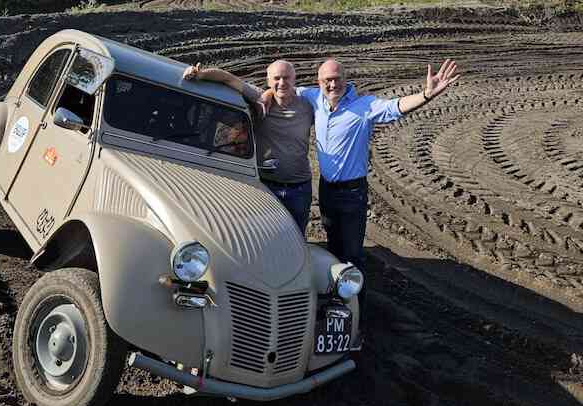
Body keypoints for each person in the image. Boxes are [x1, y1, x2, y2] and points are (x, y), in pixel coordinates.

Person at [280, 58, 460, 327]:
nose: (332, 84)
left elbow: (396, 107)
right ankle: (334, 306)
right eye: (326, 80)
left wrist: (426, 94)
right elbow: (280, 88)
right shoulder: (313, 98)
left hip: (352, 194)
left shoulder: (365, 107)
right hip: (327, 190)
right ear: (319, 82)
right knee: (333, 250)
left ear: (345, 78)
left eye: (337, 78)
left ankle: (355, 317)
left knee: (352, 255)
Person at [182, 60, 314, 235]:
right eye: (277, 78)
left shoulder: (308, 106)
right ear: (268, 81)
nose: (282, 83)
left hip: (300, 187)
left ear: (294, 79)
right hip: (266, 186)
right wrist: (201, 74)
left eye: (287, 78)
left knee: (297, 235)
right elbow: (228, 79)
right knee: (265, 235)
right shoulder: (259, 98)